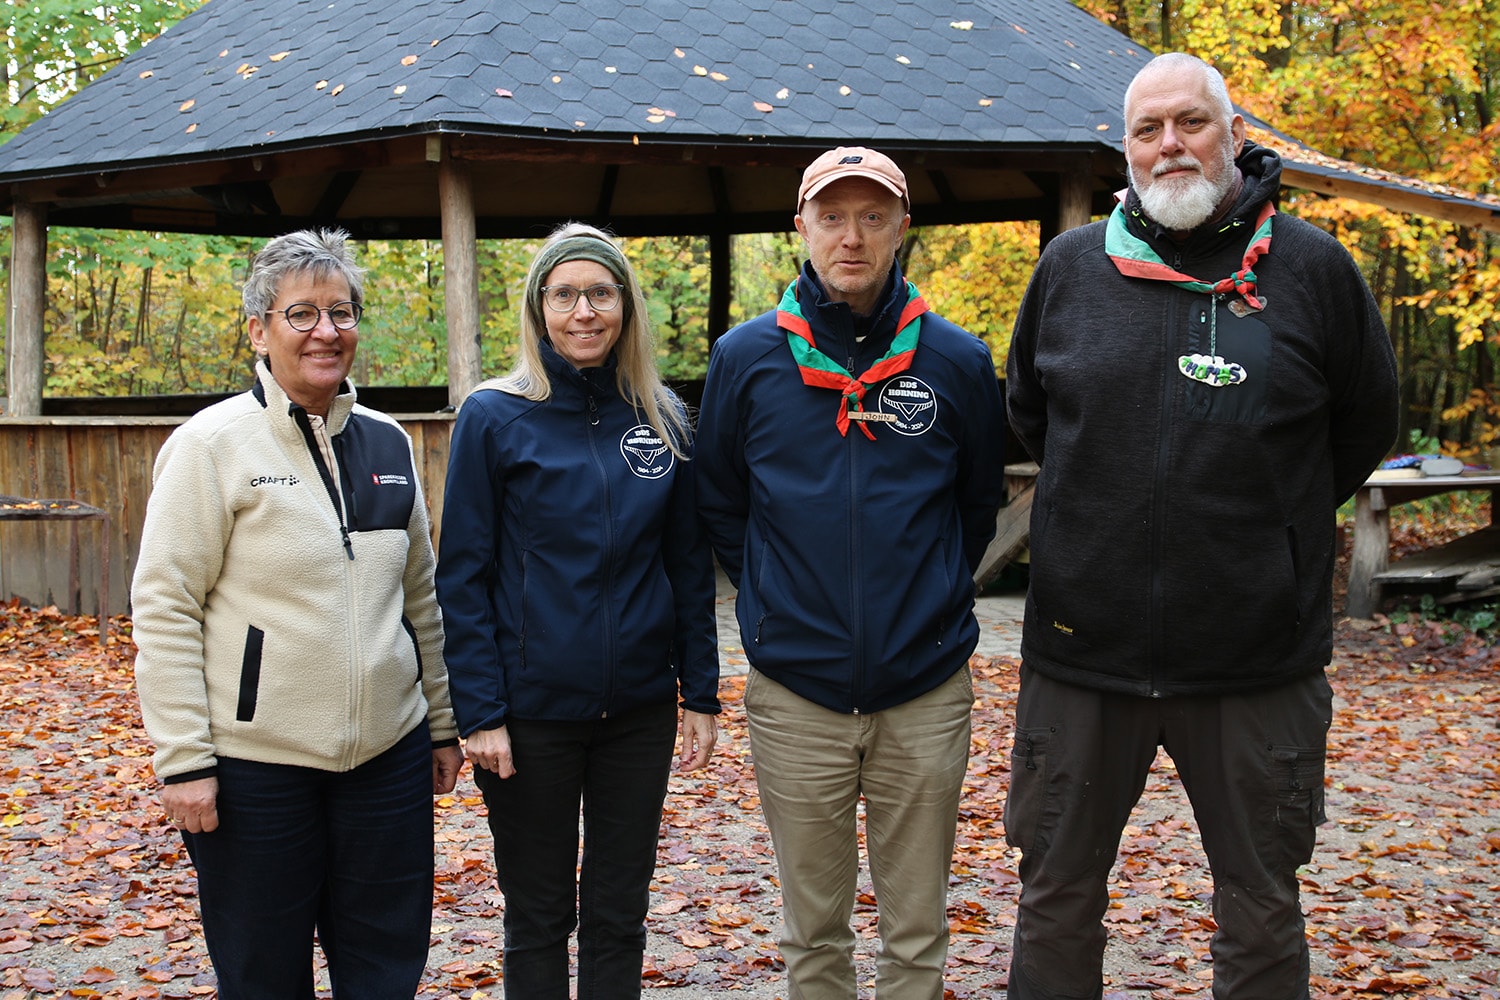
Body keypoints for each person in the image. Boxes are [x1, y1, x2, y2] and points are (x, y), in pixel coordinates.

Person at [1002, 53, 1400, 999]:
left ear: (1235, 133)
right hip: (1083, 656)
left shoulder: (1312, 269)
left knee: (1261, 903)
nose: (1170, 144)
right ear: (1125, 150)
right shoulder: (1070, 268)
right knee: (1055, 894)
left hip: (1255, 660)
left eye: (1191, 122)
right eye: (1148, 129)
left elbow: (1364, 426)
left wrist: (1273, 533)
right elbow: (1032, 416)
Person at [696, 146, 1008, 999]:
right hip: (797, 693)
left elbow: (976, 505)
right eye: (833, 218)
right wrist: (774, 601)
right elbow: (721, 501)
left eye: (873, 218)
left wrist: (928, 600)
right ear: (800, 226)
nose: (852, 238)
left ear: (903, 227)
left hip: (924, 691)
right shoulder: (745, 358)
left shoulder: (957, 360)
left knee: (917, 931)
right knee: (812, 933)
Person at [131, 228, 463, 999]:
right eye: (302, 314)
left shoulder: (389, 444)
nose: (326, 331)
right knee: (264, 976)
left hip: (387, 762)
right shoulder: (211, 446)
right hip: (256, 770)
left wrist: (441, 725)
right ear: (259, 330)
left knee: (385, 970)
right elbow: (166, 607)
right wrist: (184, 760)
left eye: (341, 312)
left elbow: (421, 597)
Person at [434, 222, 721, 1000]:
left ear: (626, 306)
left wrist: (700, 691)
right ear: (539, 308)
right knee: (539, 915)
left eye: (600, 293)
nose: (584, 311)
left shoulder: (662, 416)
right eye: (564, 295)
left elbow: (687, 565)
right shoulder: (494, 416)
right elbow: (463, 577)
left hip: (638, 713)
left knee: (619, 914)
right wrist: (480, 712)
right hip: (530, 717)